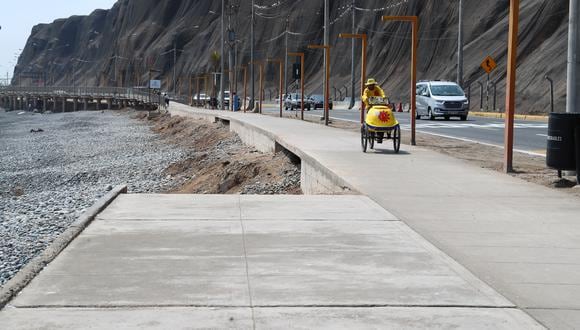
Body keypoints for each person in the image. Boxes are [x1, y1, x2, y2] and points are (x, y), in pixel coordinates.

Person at [362, 78, 388, 143]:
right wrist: (366, 99)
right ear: (368, 85)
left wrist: (384, 96)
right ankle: (369, 130)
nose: (371, 86)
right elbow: (364, 96)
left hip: (379, 105)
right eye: (370, 85)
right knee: (369, 119)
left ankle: (380, 135)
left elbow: (382, 92)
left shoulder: (377, 88)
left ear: (374, 84)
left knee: (380, 120)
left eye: (372, 84)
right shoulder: (366, 90)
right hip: (370, 106)